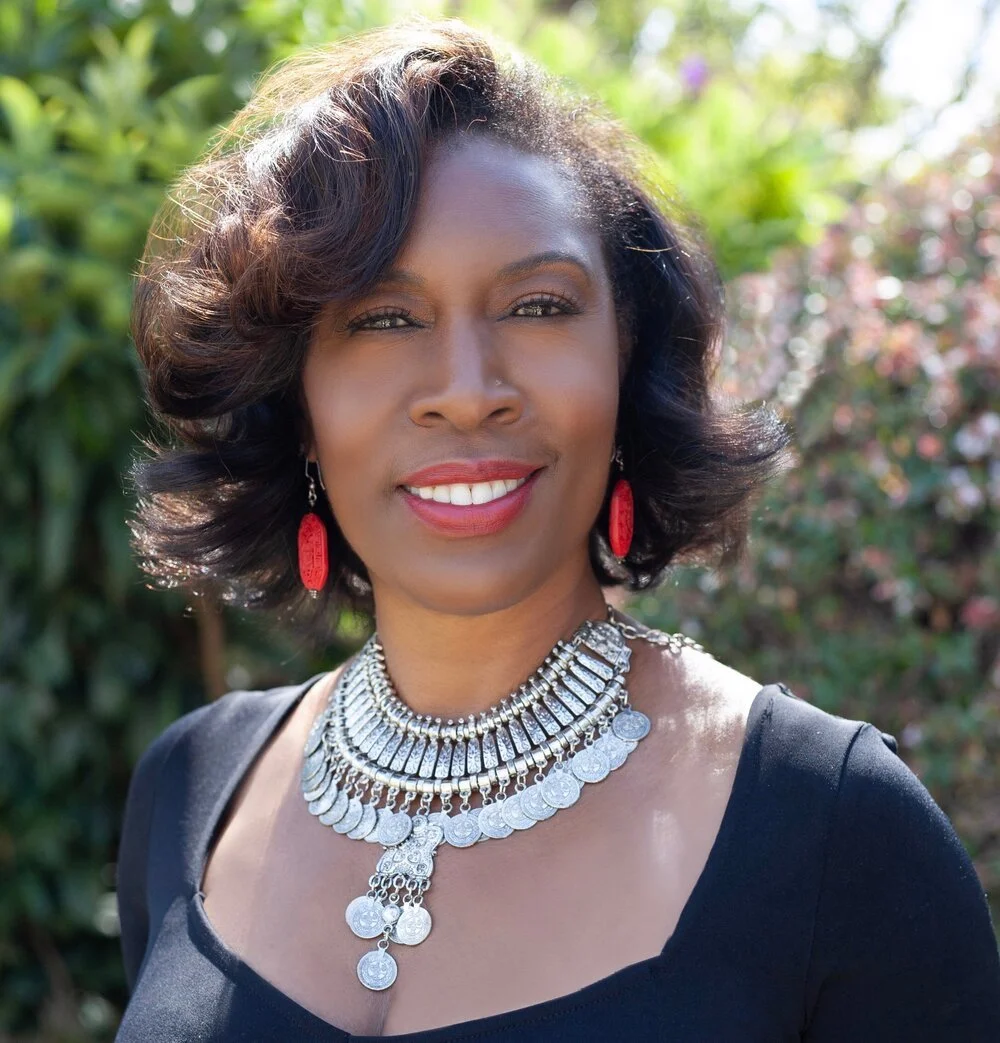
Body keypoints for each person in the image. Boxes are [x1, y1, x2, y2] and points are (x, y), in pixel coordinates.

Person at [115, 19, 1000, 1041]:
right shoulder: (188, 792)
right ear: (296, 399)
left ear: (626, 362)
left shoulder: (834, 830)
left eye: (537, 305)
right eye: (383, 319)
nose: (466, 391)